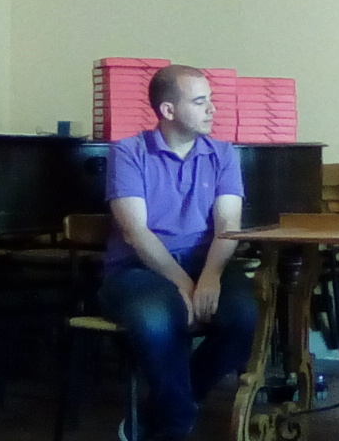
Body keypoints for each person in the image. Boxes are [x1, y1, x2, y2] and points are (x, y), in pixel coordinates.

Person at [99, 64, 259, 441]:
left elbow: (228, 224)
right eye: (200, 102)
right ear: (168, 110)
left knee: (244, 317)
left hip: (207, 263)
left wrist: (210, 277)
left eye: (211, 100)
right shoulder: (128, 151)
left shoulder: (223, 154)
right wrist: (183, 283)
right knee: (155, 320)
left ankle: (168, 407)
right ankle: (173, 424)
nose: (212, 109)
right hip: (138, 269)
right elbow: (135, 232)